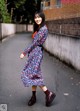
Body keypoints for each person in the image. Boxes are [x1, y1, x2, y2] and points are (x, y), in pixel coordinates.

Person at [20, 11, 56, 107]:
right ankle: (34, 97)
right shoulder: (39, 28)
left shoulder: (43, 29)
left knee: (30, 74)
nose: (37, 19)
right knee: (34, 75)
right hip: (34, 54)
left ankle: (48, 93)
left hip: (36, 54)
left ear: (43, 18)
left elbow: (34, 43)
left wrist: (24, 52)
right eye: (36, 17)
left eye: (39, 17)